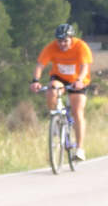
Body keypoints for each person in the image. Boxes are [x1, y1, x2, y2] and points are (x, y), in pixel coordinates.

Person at [29, 24, 93, 161]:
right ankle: (56, 119)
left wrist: (80, 80)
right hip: (60, 78)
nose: (62, 44)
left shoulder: (81, 47)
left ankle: (80, 149)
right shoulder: (51, 47)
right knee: (52, 88)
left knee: (77, 112)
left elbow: (84, 67)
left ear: (71, 38)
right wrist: (35, 81)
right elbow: (40, 65)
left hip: (78, 81)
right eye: (59, 41)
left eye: (65, 41)